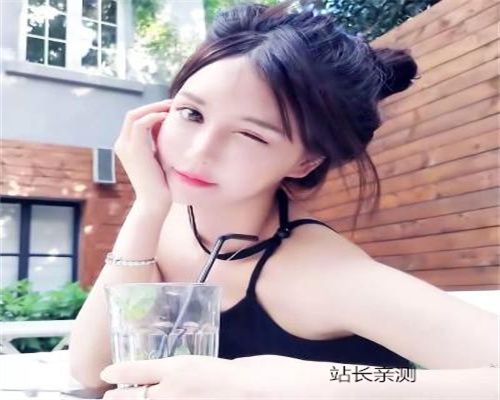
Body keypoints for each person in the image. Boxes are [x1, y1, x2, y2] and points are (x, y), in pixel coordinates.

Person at [69, 1, 499, 398]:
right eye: (191, 113)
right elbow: (94, 370)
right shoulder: (172, 217)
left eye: (251, 135)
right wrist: (147, 208)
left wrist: (277, 383)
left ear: (305, 161)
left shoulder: (326, 275)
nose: (198, 153)